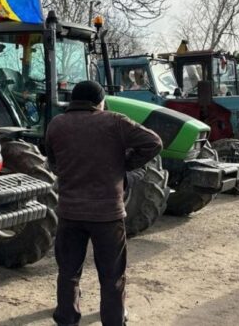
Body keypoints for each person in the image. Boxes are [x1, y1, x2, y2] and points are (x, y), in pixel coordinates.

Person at [45, 80, 162, 326]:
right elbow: (154, 142)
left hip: (70, 213)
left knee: (68, 273)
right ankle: (114, 321)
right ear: (99, 102)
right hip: (107, 216)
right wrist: (124, 164)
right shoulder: (115, 121)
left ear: (73, 101)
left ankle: (67, 319)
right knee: (112, 277)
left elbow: (53, 162)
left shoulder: (56, 124)